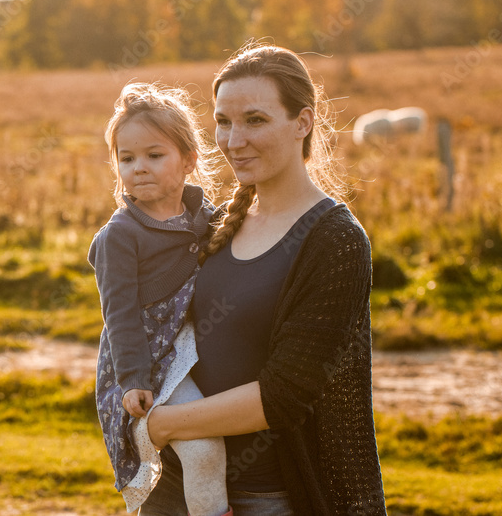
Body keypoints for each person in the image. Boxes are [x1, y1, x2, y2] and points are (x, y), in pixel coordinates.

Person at [143, 44, 387, 515]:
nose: (234, 140)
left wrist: (163, 425)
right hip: (179, 489)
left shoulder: (335, 241)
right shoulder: (211, 225)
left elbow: (284, 395)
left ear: (303, 122)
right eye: (224, 121)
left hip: (271, 498)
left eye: (255, 120)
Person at [89, 83, 232, 516]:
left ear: (188, 159)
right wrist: (134, 378)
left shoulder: (203, 217)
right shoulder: (121, 235)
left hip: (189, 347)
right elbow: (120, 314)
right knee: (204, 447)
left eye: (155, 155)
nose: (139, 168)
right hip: (150, 361)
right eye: (127, 159)